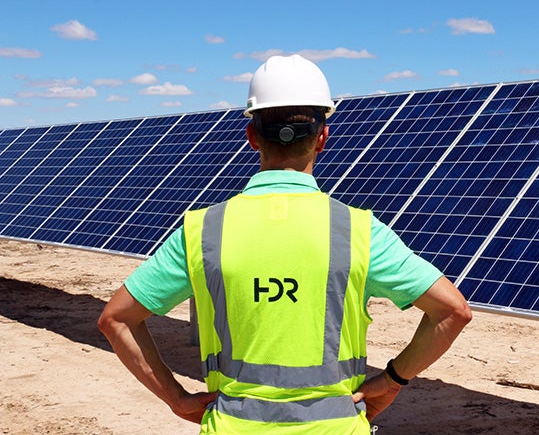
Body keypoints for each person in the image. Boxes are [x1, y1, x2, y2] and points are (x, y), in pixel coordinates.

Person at [98, 54, 472, 434]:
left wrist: (177, 399)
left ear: (252, 137)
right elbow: (453, 311)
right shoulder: (358, 230)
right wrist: (392, 380)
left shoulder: (203, 230)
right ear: (323, 137)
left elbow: (116, 319)